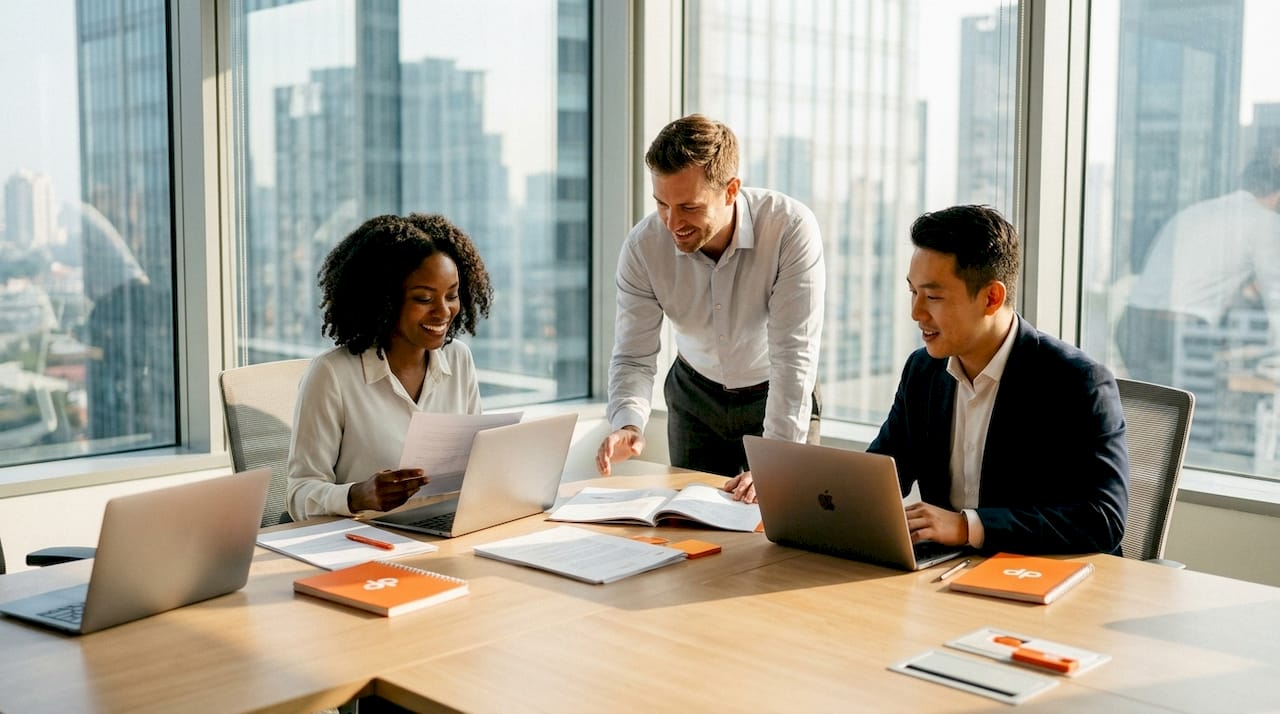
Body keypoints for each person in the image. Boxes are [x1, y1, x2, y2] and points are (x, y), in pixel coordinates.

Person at [868, 204, 1128, 555]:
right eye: (912, 292)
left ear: (992, 298)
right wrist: (821, 498)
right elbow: (882, 475)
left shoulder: (1077, 383)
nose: (916, 313)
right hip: (944, 575)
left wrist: (966, 527)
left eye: (933, 297)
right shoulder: (923, 370)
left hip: (1038, 577)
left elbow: (1102, 520)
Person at [595, 114, 825, 502]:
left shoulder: (789, 229)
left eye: (688, 206)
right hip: (694, 398)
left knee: (788, 518)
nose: (672, 223)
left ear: (731, 190)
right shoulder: (642, 247)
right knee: (691, 525)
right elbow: (634, 356)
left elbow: (794, 357)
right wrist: (628, 422)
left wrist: (776, 462)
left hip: (776, 389)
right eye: (661, 204)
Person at [287, 213, 494, 521]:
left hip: (442, 531)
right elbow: (299, 495)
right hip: (363, 541)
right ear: (383, 300)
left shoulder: (458, 359)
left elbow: (477, 463)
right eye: (423, 298)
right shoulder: (332, 374)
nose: (443, 311)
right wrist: (357, 496)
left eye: (452, 295)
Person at [1117, 152, 1280, 389]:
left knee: (1151, 417)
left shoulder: (1198, 211)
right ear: (1276, 196)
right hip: (1176, 333)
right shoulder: (1265, 221)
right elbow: (1276, 296)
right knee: (1186, 416)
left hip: (1132, 324)